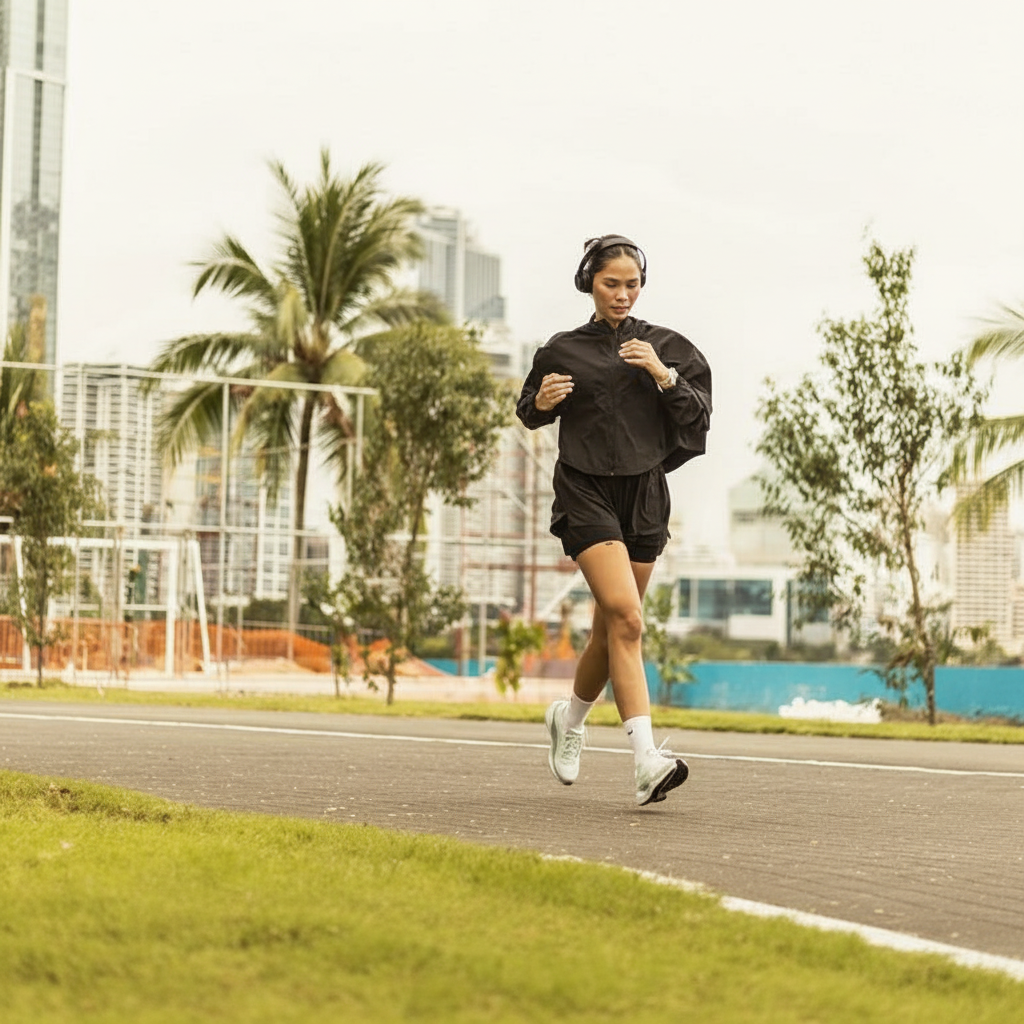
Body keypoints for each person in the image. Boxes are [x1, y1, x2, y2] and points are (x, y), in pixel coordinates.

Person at [516, 234, 712, 806]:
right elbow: (529, 408)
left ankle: (569, 721)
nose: (623, 294)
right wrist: (543, 403)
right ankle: (647, 760)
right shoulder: (561, 349)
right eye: (611, 284)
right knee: (627, 617)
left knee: (611, 626)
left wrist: (662, 373)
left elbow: (698, 416)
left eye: (632, 284)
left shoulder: (669, 346)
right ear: (589, 284)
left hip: (645, 494)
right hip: (584, 489)